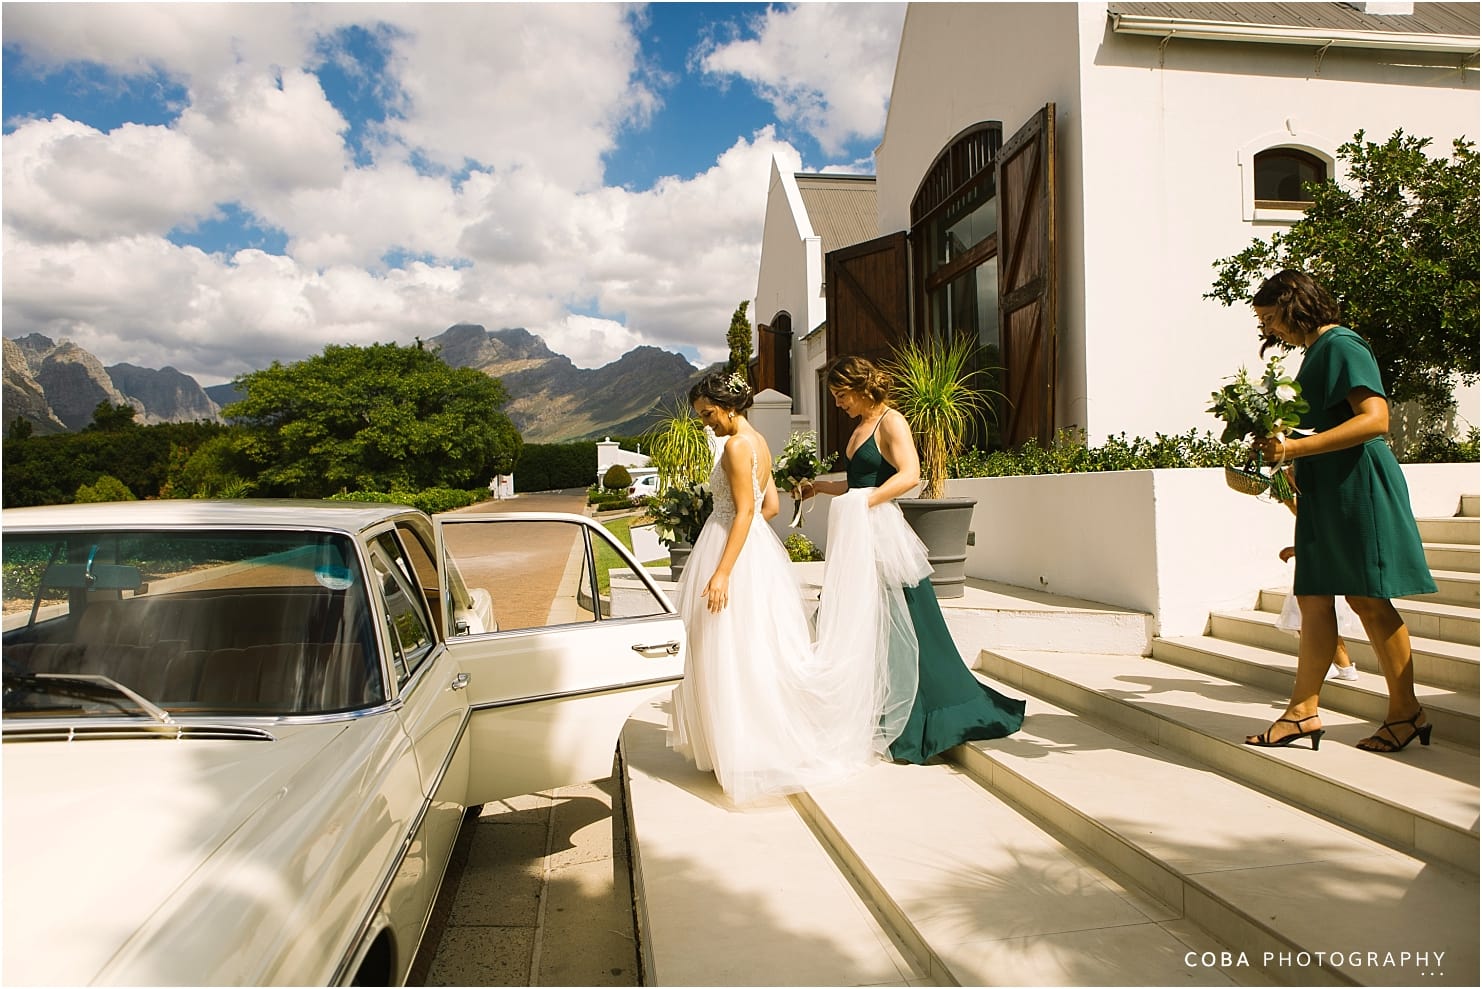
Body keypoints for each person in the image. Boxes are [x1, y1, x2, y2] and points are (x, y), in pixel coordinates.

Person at [667, 370, 914, 802]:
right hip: (751, 551)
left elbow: (747, 511)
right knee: (751, 648)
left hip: (730, 550)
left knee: (727, 648)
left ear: (728, 407)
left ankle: (738, 749)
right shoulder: (758, 441)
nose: (705, 422)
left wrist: (723, 568)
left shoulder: (736, 446)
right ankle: (750, 743)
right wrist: (748, 540)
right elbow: (772, 507)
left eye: (708, 414)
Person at [1243, 269, 1437, 752]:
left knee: (1367, 599)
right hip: (1325, 489)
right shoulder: (1315, 353)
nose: (1268, 329)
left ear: (1293, 303)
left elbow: (1376, 420)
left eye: (1270, 317)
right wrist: (1288, 456)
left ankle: (1407, 712)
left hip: (1357, 485)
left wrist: (1294, 450)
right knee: (1313, 597)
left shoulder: (1342, 345)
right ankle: (1301, 712)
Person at [801, 355, 1026, 764]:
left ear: (860, 388)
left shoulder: (892, 421)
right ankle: (874, 705)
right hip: (858, 532)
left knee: (907, 618)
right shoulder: (861, 425)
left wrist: (863, 504)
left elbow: (909, 474)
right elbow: (858, 482)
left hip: (879, 531)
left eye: (841, 394)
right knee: (864, 619)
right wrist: (819, 487)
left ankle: (927, 709)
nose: (838, 403)